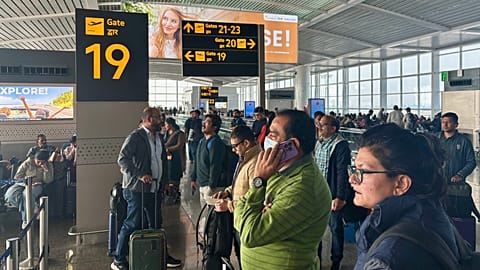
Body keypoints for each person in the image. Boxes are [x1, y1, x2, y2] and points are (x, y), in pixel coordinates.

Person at [351, 123, 461, 269]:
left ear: (401, 184)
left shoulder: (390, 258)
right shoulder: (429, 213)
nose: (352, 179)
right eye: (354, 169)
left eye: (362, 172)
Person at [234, 109, 332, 270]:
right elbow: (239, 209)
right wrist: (254, 212)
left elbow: (249, 234)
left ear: (292, 145)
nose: (265, 140)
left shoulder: (303, 186)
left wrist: (259, 181)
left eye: (272, 135)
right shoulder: (277, 171)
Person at [111, 107, 181, 270]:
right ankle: (118, 258)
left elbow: (162, 160)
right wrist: (139, 174)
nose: (162, 120)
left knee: (156, 222)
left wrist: (165, 182)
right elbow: (122, 159)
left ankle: (162, 255)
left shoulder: (159, 138)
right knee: (133, 222)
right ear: (149, 119)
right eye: (159, 117)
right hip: (136, 189)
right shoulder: (135, 137)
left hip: (155, 188)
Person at [213, 125, 262, 267]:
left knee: (246, 259)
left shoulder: (255, 163)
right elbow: (240, 181)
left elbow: (255, 197)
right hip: (238, 217)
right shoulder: (245, 158)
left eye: (235, 146)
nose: (233, 150)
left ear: (246, 143)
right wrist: (228, 191)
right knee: (239, 254)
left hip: (247, 221)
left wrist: (228, 205)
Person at [314, 115, 351, 270]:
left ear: (333, 128)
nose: (319, 128)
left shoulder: (340, 145)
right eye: (319, 124)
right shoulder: (319, 143)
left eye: (323, 125)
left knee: (335, 228)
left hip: (332, 194)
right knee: (316, 229)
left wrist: (340, 196)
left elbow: (342, 172)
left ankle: (336, 261)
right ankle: (316, 260)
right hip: (317, 193)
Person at [437, 112, 477, 218]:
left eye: (448, 122)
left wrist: (460, 175)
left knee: (455, 215)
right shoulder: (436, 140)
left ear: (456, 124)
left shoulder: (464, 142)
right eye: (443, 122)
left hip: (456, 187)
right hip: (438, 183)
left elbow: (471, 161)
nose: (445, 125)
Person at [5, 150, 54, 228]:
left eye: (42, 162)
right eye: (38, 161)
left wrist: (46, 170)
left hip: (37, 185)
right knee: (10, 194)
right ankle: (33, 207)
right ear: (35, 158)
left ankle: (26, 220)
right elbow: (17, 177)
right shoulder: (27, 163)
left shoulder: (48, 165)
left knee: (27, 195)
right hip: (23, 183)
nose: (40, 164)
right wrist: (26, 181)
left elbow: (48, 181)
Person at [190, 114, 227, 208]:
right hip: (202, 184)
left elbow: (215, 166)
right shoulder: (202, 141)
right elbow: (196, 160)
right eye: (204, 121)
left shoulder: (216, 143)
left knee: (212, 216)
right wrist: (193, 178)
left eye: (207, 122)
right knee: (204, 214)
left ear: (214, 127)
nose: (203, 124)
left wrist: (211, 186)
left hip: (212, 187)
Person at [164, 117, 186, 202]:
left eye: (166, 124)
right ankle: (170, 193)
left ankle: (176, 193)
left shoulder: (179, 134)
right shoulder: (166, 133)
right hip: (168, 159)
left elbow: (179, 145)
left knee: (175, 176)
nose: (165, 126)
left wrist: (168, 149)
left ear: (170, 124)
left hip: (177, 159)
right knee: (169, 175)